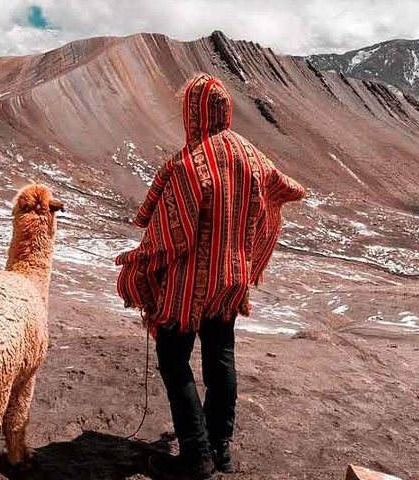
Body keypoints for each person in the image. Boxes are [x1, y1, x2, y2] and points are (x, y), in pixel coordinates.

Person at [115, 73, 306, 480]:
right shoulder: (252, 156)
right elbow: (287, 188)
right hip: (232, 280)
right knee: (221, 359)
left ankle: (196, 457)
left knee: (173, 359)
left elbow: (171, 234)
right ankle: (220, 450)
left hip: (190, 287)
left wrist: (137, 256)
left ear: (193, 113)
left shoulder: (190, 162)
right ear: (224, 111)